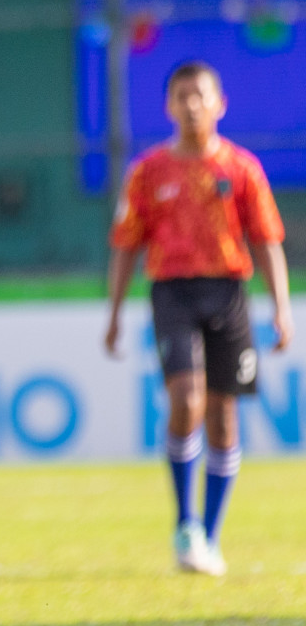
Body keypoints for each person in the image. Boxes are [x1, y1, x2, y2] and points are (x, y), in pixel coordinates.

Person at [105, 61, 292, 576]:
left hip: (229, 294)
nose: (191, 105)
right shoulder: (148, 171)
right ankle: (186, 523)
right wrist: (115, 312)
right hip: (173, 293)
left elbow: (267, 239)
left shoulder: (241, 169)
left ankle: (209, 535)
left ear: (219, 104)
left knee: (224, 416)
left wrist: (280, 307)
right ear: (168, 105)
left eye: (200, 95)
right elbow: (125, 245)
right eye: (181, 96)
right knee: (186, 399)